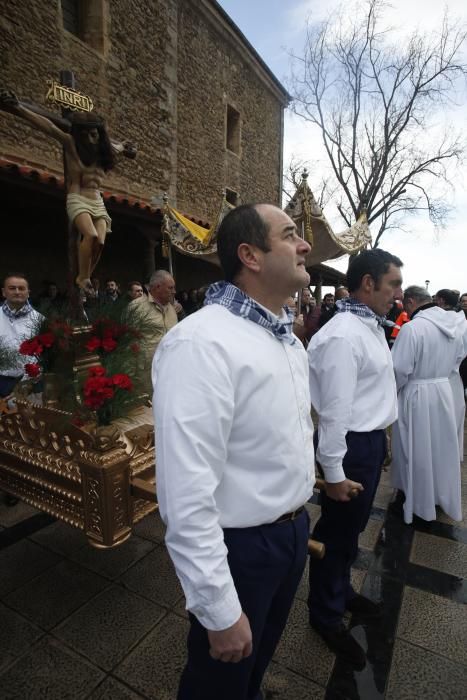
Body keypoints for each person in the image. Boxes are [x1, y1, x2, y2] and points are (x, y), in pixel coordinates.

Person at [152, 204, 315, 700]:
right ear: (251, 255)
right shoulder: (201, 343)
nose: (305, 244)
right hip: (242, 548)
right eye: (290, 235)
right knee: (218, 678)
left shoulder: (286, 340)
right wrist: (217, 606)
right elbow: (186, 494)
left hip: (290, 534)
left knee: (256, 661)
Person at [307, 249, 403, 666]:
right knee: (337, 530)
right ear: (368, 283)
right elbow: (334, 414)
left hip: (367, 441)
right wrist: (333, 473)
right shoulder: (344, 334)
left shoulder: (367, 326)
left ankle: (340, 592)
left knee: (352, 529)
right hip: (348, 445)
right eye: (393, 283)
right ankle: (325, 615)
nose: (398, 294)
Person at [0, 89, 136, 295]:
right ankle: (83, 278)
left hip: (97, 200)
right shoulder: (71, 144)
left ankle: (84, 277)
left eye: (95, 134)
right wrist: (18, 108)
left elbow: (121, 147)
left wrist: (127, 146)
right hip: (78, 197)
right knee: (89, 235)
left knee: (99, 242)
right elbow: (47, 126)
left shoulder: (104, 150)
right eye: (87, 135)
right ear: (80, 135)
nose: (92, 139)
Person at [391, 285, 467, 524]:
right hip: (444, 389)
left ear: (412, 302)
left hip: (416, 392)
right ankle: (437, 495)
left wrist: (394, 391)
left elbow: (399, 369)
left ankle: (415, 497)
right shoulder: (455, 325)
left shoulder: (413, 328)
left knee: (413, 447)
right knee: (440, 447)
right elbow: (459, 358)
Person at [0, 273, 44, 506]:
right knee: (6, 439)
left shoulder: (39, 319)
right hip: (2, 385)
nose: (17, 292)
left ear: (28, 292)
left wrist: (25, 386)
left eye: (21, 289)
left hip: (32, 385)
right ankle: (10, 484)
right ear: (3, 292)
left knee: (32, 435)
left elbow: (46, 356)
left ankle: (36, 481)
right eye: (12, 288)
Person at [129, 270, 179, 395]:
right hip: (147, 375)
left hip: (171, 371)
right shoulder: (136, 308)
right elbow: (127, 344)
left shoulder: (172, 309)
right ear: (157, 287)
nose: (174, 292)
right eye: (170, 288)